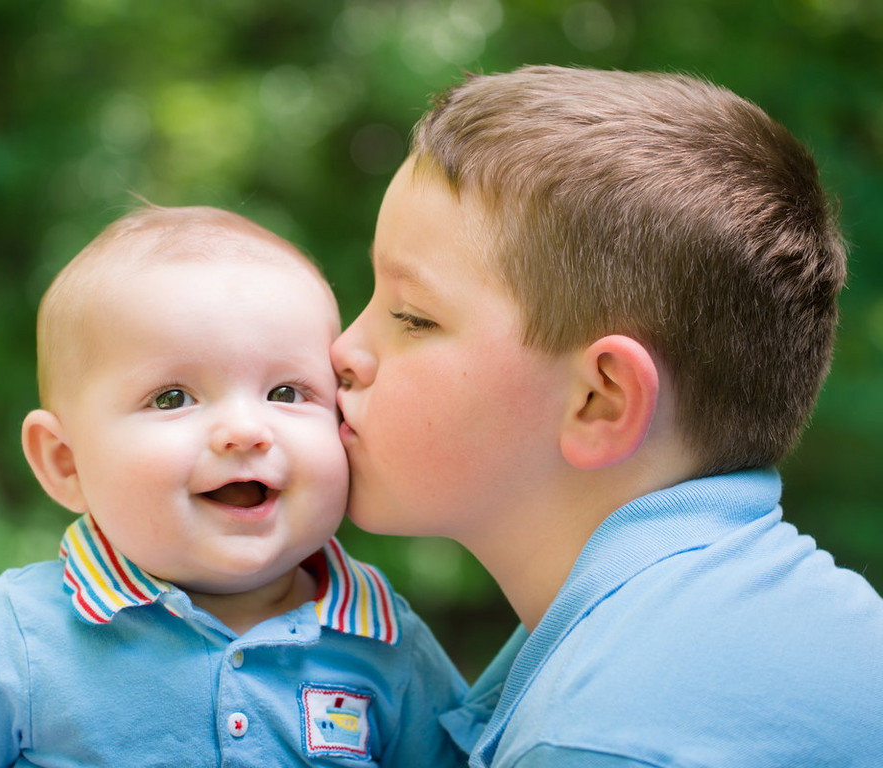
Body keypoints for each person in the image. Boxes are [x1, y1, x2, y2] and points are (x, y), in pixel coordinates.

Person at [331, 65, 883, 767]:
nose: (343, 349)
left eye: (412, 316)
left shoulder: (606, 735)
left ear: (601, 402)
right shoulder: (767, 621)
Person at [0, 205, 466, 767]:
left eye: (285, 393)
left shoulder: (384, 641)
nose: (244, 431)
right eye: (172, 398)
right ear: (67, 464)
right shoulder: (22, 636)